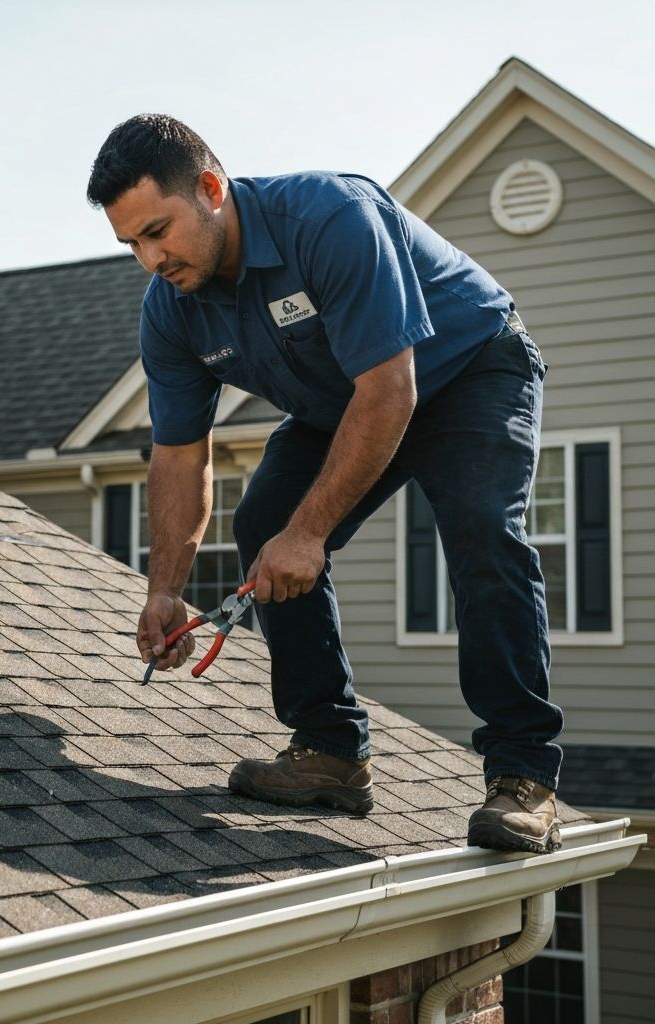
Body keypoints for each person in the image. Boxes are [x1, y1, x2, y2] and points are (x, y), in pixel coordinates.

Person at [86, 114, 564, 855]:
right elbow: (180, 457)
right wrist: (163, 588)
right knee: (264, 521)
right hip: (345, 399)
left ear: (212, 189)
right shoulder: (171, 311)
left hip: (467, 369)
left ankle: (523, 777)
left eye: (158, 231)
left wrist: (309, 536)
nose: (151, 259)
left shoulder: (330, 218)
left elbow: (391, 391)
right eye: (132, 245)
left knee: (480, 526)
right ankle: (333, 751)